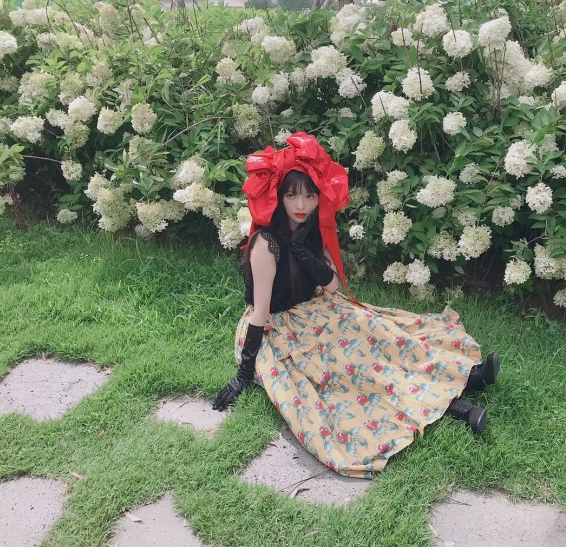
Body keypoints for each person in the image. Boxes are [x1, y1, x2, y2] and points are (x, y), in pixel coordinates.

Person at [213, 133, 499, 478]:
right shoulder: (266, 243)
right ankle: (458, 407)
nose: (301, 204)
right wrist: (243, 375)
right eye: (292, 195)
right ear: (279, 196)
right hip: (277, 329)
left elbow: (332, 285)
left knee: (375, 330)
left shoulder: (310, 229)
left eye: (309, 195)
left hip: (316, 308)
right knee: (348, 367)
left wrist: (303, 250)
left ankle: (466, 377)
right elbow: (260, 312)